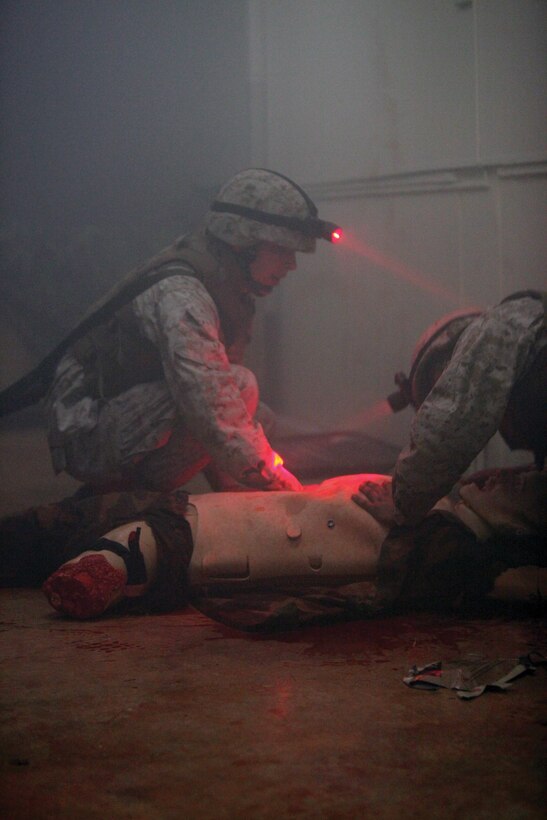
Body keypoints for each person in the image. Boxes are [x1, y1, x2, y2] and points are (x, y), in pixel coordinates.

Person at [0, 169, 342, 495]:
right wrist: (281, 484)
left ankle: (236, 498)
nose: (291, 264)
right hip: (87, 432)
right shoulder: (182, 294)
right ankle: (123, 500)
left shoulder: (224, 283)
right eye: (281, 250)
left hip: (117, 416)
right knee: (235, 393)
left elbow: (222, 407)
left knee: (248, 410)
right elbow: (211, 406)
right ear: (243, 242)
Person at [1, 470, 545, 630]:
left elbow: (501, 585)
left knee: (119, 544)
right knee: (41, 528)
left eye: (529, 486)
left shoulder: (457, 547)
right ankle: (110, 556)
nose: (514, 476)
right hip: (194, 510)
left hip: (193, 535)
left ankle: (109, 564)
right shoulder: (441, 499)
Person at [354, 290, 547, 527]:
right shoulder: (527, 326)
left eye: (444, 385)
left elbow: (446, 430)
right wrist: (522, 474)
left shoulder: (494, 329)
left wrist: (402, 504)